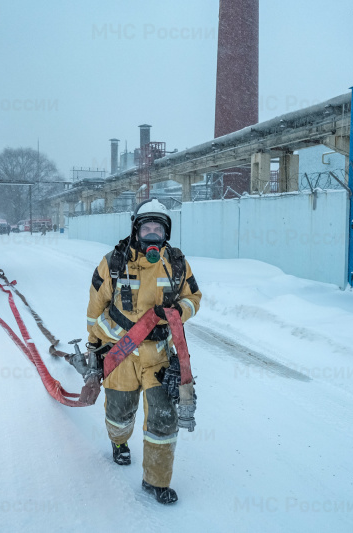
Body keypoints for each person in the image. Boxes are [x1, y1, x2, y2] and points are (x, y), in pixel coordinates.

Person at [86, 199, 202, 504]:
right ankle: (119, 443)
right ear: (136, 231)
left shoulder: (176, 263)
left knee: (164, 418)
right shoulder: (113, 262)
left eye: (158, 229)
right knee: (119, 414)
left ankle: (156, 481)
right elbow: (94, 313)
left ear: (166, 234)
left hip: (159, 357)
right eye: (146, 228)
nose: (152, 235)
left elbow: (193, 297)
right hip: (121, 354)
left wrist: (180, 310)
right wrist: (97, 346)